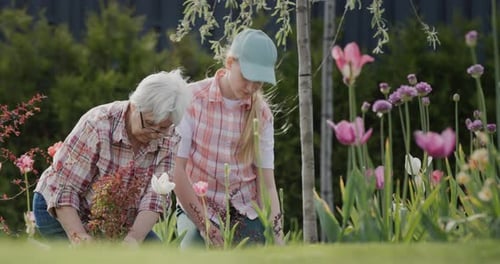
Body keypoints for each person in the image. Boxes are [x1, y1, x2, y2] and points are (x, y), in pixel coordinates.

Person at [33, 69, 191, 245]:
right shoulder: (98, 124)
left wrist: (133, 240)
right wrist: (80, 238)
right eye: (150, 124)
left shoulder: (170, 137)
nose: (155, 134)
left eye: (163, 128)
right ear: (134, 106)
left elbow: (154, 198)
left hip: (115, 218)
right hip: (59, 209)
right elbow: (64, 187)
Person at [173, 28, 284, 248]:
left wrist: (277, 236)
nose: (252, 87)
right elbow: (177, 171)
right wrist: (206, 227)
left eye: (259, 83)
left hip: (245, 210)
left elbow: (267, 185)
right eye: (247, 77)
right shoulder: (191, 100)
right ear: (230, 62)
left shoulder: (261, 114)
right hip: (198, 206)